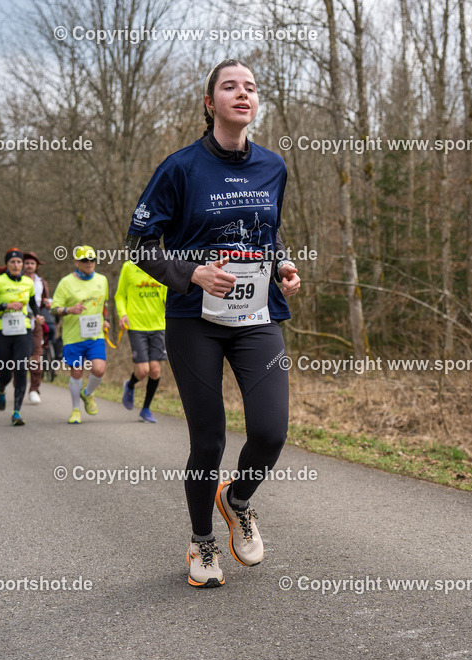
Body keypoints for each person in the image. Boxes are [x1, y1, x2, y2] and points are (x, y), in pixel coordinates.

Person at [124, 59, 301, 587]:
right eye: (230, 87)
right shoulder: (179, 168)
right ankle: (202, 542)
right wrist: (193, 272)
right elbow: (138, 248)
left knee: (270, 431)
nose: (242, 94)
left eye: (250, 87)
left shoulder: (274, 166)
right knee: (209, 441)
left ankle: (237, 499)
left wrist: (284, 265)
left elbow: (269, 234)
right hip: (193, 319)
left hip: (257, 315)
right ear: (210, 103)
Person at [51, 245, 110, 424]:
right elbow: (54, 309)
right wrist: (69, 309)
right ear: (76, 262)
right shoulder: (66, 283)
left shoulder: (102, 280)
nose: (89, 263)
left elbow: (104, 304)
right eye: (85, 260)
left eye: (92, 259)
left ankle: (87, 393)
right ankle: (76, 409)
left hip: (95, 335)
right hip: (73, 336)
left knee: (99, 369)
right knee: (77, 372)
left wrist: (105, 319)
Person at [0, 249, 39, 426]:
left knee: (21, 368)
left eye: (19, 262)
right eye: (12, 262)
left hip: (23, 330)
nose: (16, 265)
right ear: (7, 264)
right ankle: (1, 388)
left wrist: (37, 315)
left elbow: (33, 304)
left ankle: (17, 412)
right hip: (1, 331)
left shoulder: (28, 282)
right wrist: (5, 305)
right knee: (5, 372)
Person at [115, 260, 167, 422]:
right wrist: (122, 314)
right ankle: (130, 385)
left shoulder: (162, 265)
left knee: (155, 371)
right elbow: (119, 296)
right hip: (136, 325)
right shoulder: (129, 267)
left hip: (158, 326)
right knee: (143, 370)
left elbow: (169, 295)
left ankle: (145, 409)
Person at [22, 251, 52, 405]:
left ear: (36, 266)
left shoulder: (41, 282)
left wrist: (48, 303)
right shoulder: (16, 280)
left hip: (37, 322)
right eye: (26, 263)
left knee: (36, 356)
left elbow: (44, 299)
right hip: (19, 320)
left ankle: (34, 389)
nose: (29, 266)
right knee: (20, 357)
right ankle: (18, 385)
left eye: (32, 263)